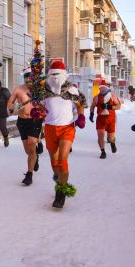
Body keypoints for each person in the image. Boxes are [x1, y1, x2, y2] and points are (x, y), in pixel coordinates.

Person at [42, 60, 85, 208]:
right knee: (54, 162)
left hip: (67, 128)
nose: (55, 77)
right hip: (49, 128)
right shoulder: (44, 91)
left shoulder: (71, 90)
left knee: (62, 160)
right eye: (52, 74)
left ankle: (60, 194)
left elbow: (80, 104)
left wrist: (81, 116)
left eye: (57, 74)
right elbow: (40, 108)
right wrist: (37, 113)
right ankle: (59, 177)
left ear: (63, 75)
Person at [8, 68, 42, 186]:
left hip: (35, 121)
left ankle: (29, 174)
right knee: (28, 151)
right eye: (26, 77)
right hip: (22, 121)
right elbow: (10, 101)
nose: (28, 79)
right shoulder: (18, 89)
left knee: (32, 145)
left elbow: (46, 103)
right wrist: (12, 108)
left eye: (30, 77)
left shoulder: (39, 90)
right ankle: (35, 156)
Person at [89, 82, 121, 159]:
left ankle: (112, 143)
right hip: (100, 119)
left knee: (110, 138)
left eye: (104, 88)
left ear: (107, 88)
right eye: (100, 88)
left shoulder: (112, 96)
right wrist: (91, 114)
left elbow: (118, 106)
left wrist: (109, 106)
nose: (102, 89)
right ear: (99, 89)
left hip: (111, 119)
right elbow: (92, 106)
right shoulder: (96, 97)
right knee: (100, 136)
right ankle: (103, 151)